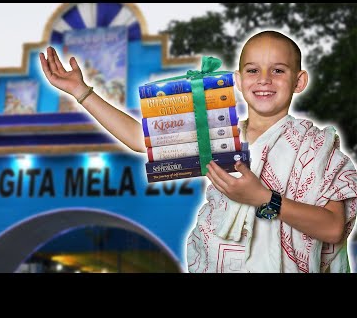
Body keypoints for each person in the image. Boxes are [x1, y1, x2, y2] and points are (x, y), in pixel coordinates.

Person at [40, 31, 357, 273]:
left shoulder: (317, 146)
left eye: (278, 71)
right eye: (252, 70)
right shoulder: (216, 133)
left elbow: (332, 228)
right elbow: (139, 138)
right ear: (237, 79)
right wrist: (81, 92)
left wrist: (264, 199)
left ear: (298, 80)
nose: (263, 80)